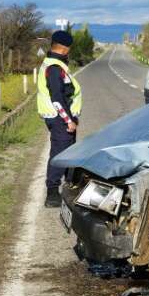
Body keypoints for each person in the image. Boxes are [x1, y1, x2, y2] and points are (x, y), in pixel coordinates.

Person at [37, 30, 83, 207]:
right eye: (69, 49)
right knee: (59, 153)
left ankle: (70, 184)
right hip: (59, 118)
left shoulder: (53, 64)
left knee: (68, 151)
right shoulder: (54, 68)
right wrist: (68, 120)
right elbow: (57, 98)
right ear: (65, 49)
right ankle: (52, 194)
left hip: (60, 117)